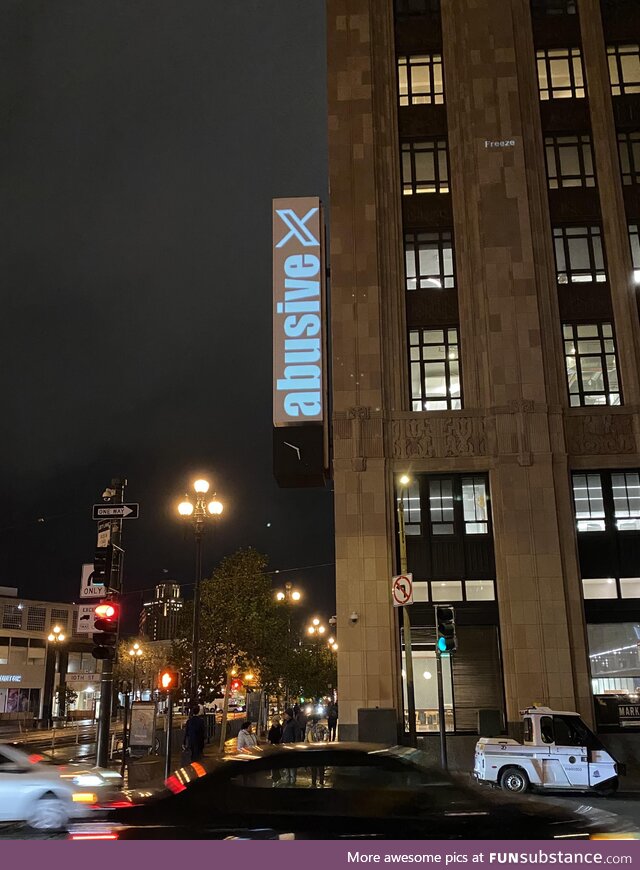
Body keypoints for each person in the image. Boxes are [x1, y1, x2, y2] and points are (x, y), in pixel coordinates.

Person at [307, 716, 327, 788]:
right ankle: (317, 782)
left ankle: (316, 782)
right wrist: (324, 740)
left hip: (315, 749)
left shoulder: (317, 727)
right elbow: (326, 732)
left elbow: (326, 732)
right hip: (317, 748)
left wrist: (324, 741)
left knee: (316, 767)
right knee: (317, 767)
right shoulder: (310, 728)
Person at [281, 708, 298, 785]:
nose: (285, 715)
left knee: (292, 764)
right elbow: (283, 734)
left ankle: (293, 779)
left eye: (286, 714)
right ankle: (287, 778)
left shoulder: (294, 723)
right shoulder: (284, 723)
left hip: (291, 747)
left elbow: (297, 735)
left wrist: (296, 745)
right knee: (286, 763)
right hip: (284, 746)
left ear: (289, 715)